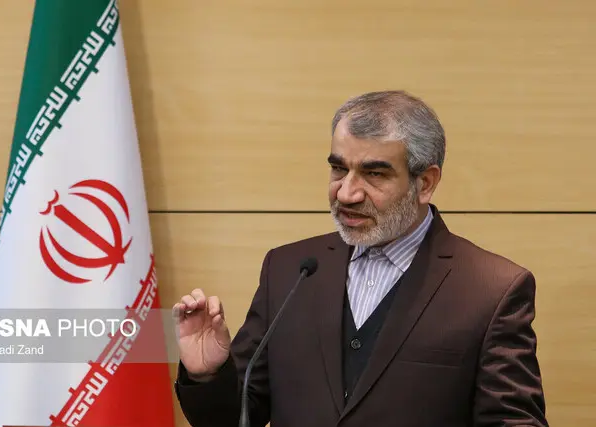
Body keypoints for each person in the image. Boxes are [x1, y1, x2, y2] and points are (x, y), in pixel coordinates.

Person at [172, 90, 548, 427]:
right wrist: (207, 374)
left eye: (374, 173)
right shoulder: (288, 270)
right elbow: (239, 416)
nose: (346, 193)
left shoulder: (491, 290)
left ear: (425, 183)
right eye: (339, 168)